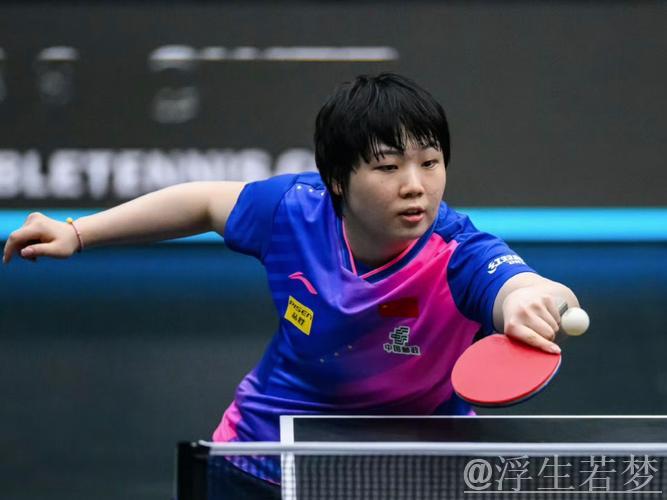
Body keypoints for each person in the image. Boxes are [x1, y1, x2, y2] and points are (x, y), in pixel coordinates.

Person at [3, 73, 579, 496]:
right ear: (337, 179)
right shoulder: (292, 211)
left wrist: (533, 300)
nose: (415, 185)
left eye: (429, 163)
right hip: (266, 453)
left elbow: (520, 285)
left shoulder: (457, 252)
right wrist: (77, 232)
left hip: (414, 465)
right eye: (388, 167)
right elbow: (202, 202)